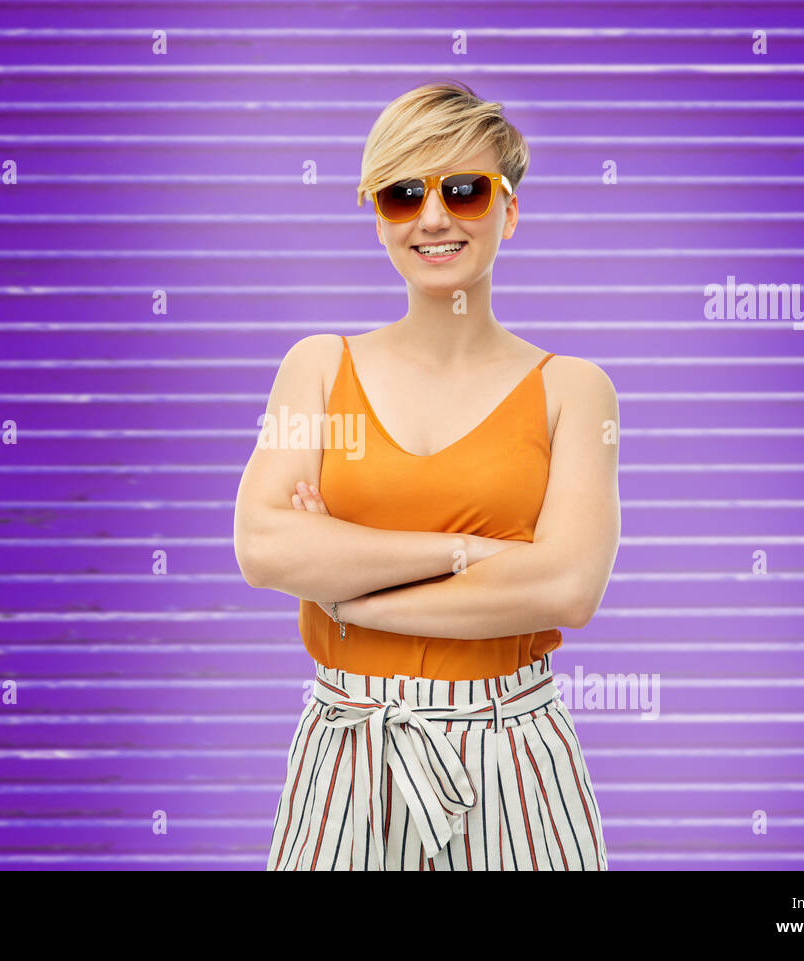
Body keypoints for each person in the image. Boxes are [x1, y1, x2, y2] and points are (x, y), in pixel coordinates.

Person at [233, 80, 620, 870]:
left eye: (465, 190)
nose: (434, 216)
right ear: (378, 219)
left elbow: (568, 588)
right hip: (347, 755)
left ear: (509, 211)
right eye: (403, 193)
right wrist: (470, 554)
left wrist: (346, 586)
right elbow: (264, 546)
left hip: (517, 758)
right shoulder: (315, 367)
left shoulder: (575, 389)